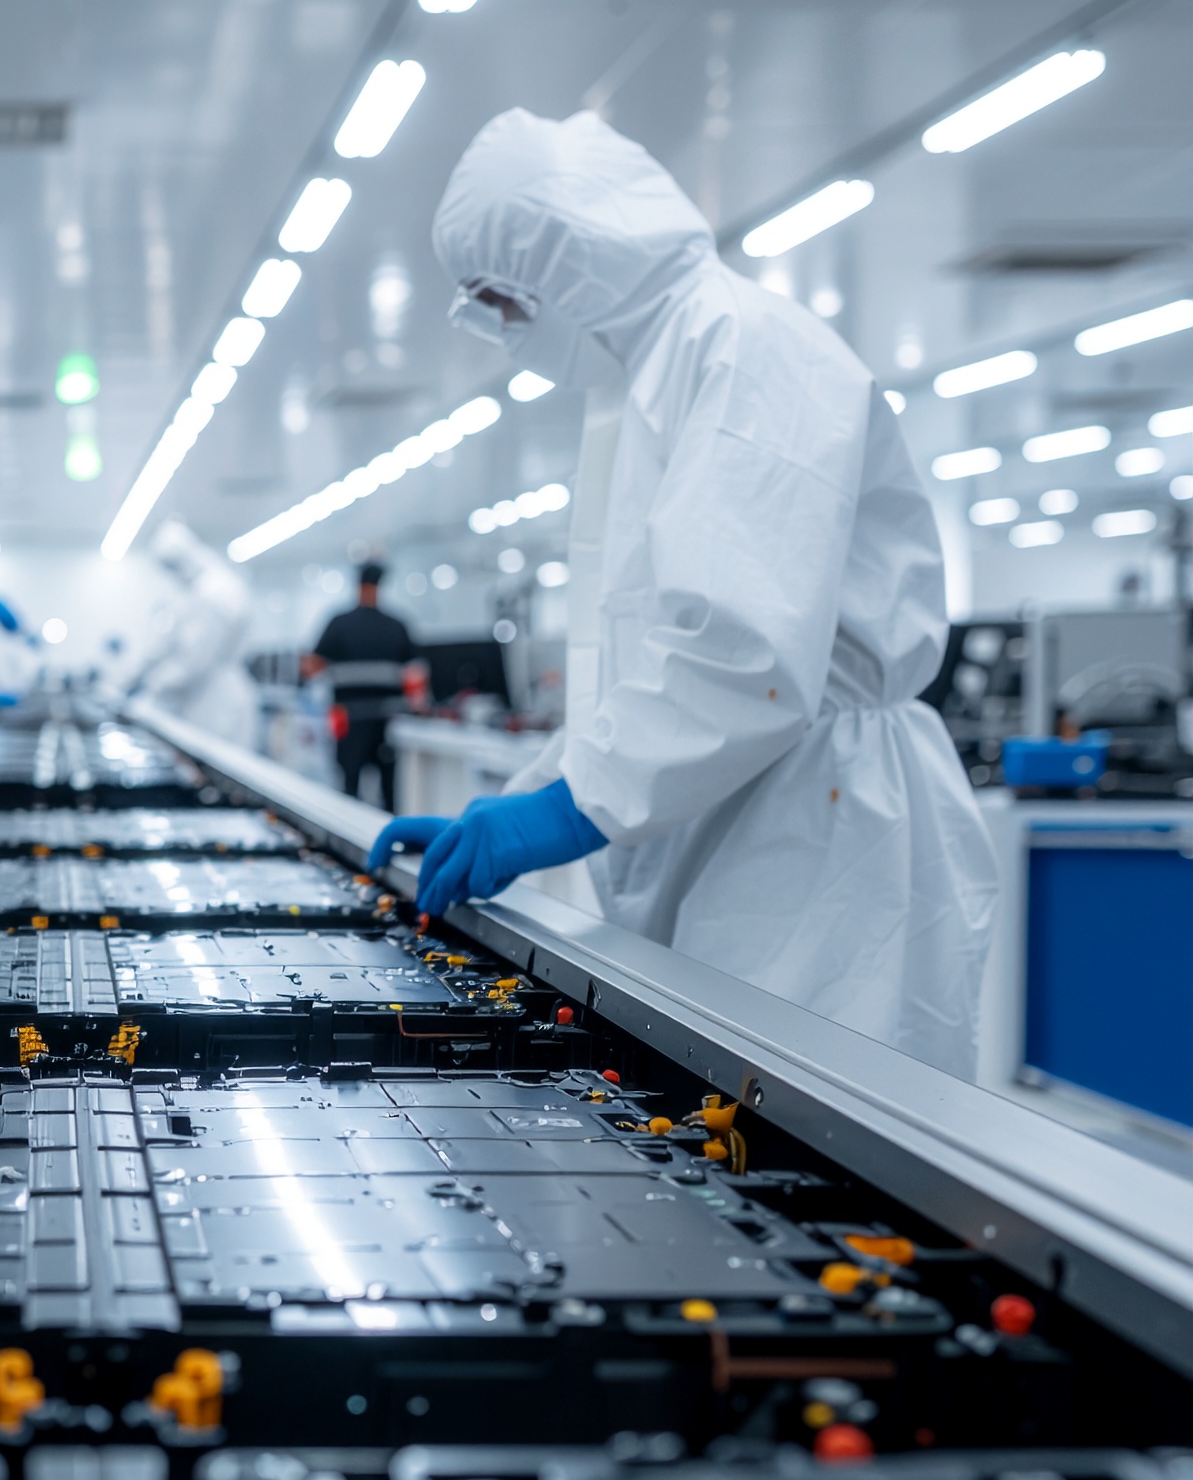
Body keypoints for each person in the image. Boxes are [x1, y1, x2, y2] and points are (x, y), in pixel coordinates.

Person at [370, 108, 996, 1073]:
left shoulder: (744, 348)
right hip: (751, 809)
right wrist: (528, 795)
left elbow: (744, 661)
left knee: (816, 1143)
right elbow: (654, 670)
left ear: (569, 258)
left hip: (823, 830)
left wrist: (564, 811)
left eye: (501, 298)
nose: (503, 328)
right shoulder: (652, 377)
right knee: (736, 1126)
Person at [126, 520, 259, 748]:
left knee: (216, 773)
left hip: (217, 703)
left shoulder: (213, 592)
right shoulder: (209, 588)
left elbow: (193, 661)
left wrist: (152, 689)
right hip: (211, 698)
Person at [305, 562, 416, 804]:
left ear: (358, 585)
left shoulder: (339, 624)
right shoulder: (397, 625)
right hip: (388, 721)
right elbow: (415, 675)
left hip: (350, 719)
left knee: (349, 787)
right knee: (389, 792)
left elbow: (312, 665)